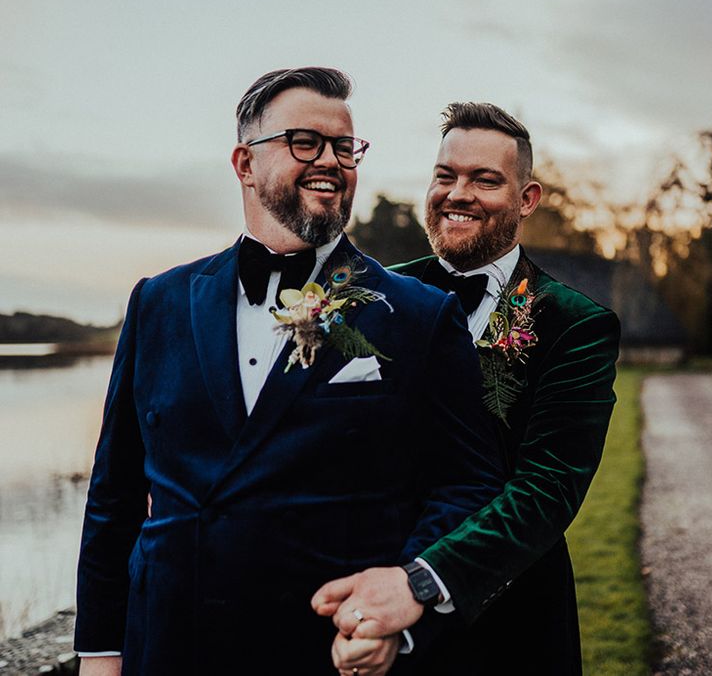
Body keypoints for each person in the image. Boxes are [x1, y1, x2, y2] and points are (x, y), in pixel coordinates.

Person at [74, 70, 504, 676]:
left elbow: (467, 484)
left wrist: (404, 600)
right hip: (168, 645)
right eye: (305, 141)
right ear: (244, 164)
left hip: (329, 652)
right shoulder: (157, 302)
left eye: (344, 147)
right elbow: (114, 498)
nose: (330, 160)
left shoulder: (418, 314)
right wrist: (100, 650)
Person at [313, 102, 621, 675]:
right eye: (445, 176)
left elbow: (545, 492)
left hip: (507, 625)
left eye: (485, 180)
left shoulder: (574, 324)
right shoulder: (370, 294)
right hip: (366, 609)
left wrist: (421, 583)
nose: (458, 194)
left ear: (526, 200)